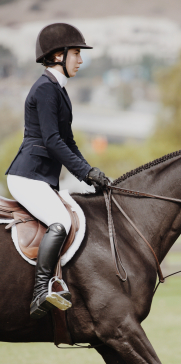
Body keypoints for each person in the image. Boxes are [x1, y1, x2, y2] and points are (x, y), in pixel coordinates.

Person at [5, 22, 108, 320]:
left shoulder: (58, 91)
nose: (81, 59)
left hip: (41, 176)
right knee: (61, 220)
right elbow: (51, 141)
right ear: (57, 55)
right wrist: (86, 174)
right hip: (28, 175)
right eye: (76, 53)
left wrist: (91, 173)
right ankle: (41, 291)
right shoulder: (46, 89)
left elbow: (68, 142)